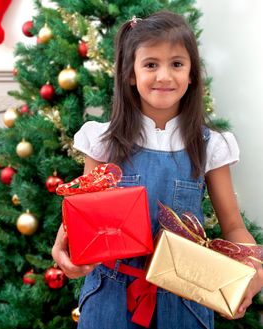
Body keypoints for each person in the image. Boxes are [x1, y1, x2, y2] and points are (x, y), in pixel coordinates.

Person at [52, 10, 263, 329]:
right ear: (131, 74)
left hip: (184, 302)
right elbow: (79, 215)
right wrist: (62, 248)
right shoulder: (102, 140)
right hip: (109, 300)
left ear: (191, 74)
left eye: (177, 64)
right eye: (151, 64)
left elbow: (233, 226)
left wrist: (254, 269)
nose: (164, 76)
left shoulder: (210, 145)